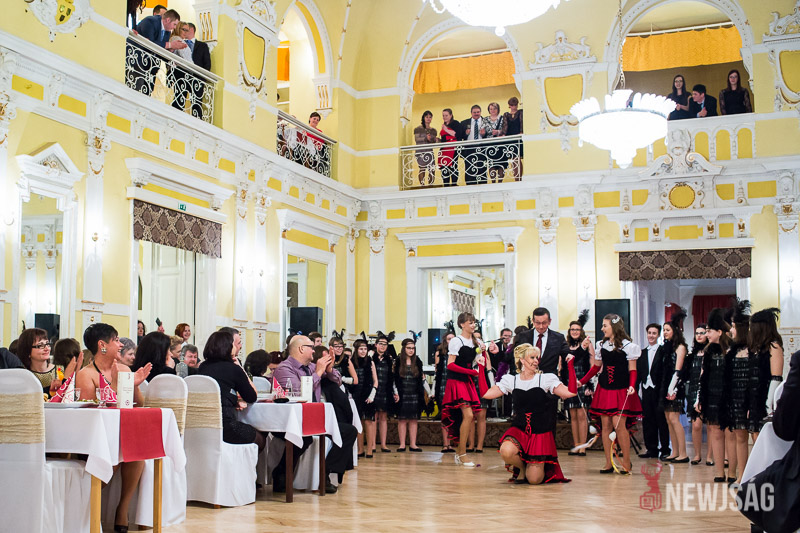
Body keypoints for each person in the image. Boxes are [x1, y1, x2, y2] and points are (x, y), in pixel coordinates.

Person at [76, 323, 151, 532]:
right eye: (116, 340)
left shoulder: (125, 369)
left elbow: (139, 404)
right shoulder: (86, 375)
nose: (120, 345)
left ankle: (122, 510)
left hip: (121, 433)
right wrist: (117, 386)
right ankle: (87, 509)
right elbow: (90, 413)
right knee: (117, 453)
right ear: (102, 345)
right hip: (95, 438)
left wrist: (134, 385)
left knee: (137, 451)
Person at [483, 343, 576, 484]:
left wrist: (570, 366)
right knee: (506, 451)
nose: (536, 361)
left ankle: (533, 467)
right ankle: (521, 467)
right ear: (522, 360)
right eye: (532, 357)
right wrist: (481, 368)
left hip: (540, 432)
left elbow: (571, 392)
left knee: (534, 480)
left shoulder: (545, 379)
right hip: (520, 429)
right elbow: (486, 394)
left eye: (537, 358)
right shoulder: (512, 380)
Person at [272, 335, 346, 494]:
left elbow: (338, 381)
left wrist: (329, 369)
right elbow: (299, 392)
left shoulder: (311, 367)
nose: (314, 351)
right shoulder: (284, 369)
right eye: (311, 347)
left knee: (348, 432)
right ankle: (281, 473)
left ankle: (325, 474)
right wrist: (318, 372)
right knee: (305, 437)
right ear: (301, 349)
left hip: (313, 418)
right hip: (290, 420)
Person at [579, 314, 643, 474]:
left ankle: (626, 462)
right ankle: (608, 462)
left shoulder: (629, 346)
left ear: (614, 327)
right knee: (606, 426)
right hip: (605, 389)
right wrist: (582, 381)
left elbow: (632, 370)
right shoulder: (601, 345)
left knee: (619, 425)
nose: (602, 328)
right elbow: (596, 368)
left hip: (621, 389)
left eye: (604, 325)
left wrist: (632, 386)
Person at [442, 312, 499, 467]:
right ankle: (462, 454)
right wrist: (471, 372)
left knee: (469, 416)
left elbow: (478, 359)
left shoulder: (476, 341)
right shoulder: (456, 341)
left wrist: (484, 355)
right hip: (456, 381)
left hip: (467, 381)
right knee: (468, 415)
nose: (473, 325)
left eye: (474, 322)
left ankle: (460, 453)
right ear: (462, 324)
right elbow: (450, 364)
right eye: (470, 322)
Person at [198, 331, 265, 452]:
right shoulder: (233, 369)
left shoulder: (202, 367)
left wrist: (233, 401)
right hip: (226, 426)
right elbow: (251, 397)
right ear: (228, 347)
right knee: (261, 439)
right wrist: (240, 368)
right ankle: (244, 464)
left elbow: (219, 392)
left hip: (202, 425)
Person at [698, 308, 734, 483]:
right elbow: (703, 376)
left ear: (719, 332)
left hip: (728, 396)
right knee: (715, 432)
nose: (707, 334)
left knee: (730, 433)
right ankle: (720, 472)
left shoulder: (731, 349)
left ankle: (732, 471)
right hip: (712, 394)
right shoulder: (708, 351)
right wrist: (700, 398)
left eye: (709, 331)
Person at [561, 311, 595, 456]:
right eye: (572, 329)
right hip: (569, 382)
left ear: (581, 331)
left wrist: (590, 385)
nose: (575, 331)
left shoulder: (587, 344)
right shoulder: (565, 346)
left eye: (577, 329)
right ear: (569, 331)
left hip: (583, 381)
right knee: (573, 416)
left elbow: (593, 365)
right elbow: (561, 367)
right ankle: (576, 445)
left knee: (582, 415)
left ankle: (583, 446)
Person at [726, 299, 751, 485]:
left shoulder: (753, 350)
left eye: (733, 327)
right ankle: (741, 475)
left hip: (749, 398)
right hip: (735, 398)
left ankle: (753, 475)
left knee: (752, 437)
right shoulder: (732, 351)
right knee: (739, 436)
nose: (731, 331)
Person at [747, 308, 784, 436]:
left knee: (764, 435)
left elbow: (776, 377)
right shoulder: (755, 349)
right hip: (755, 397)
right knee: (755, 433)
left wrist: (768, 405)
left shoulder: (774, 347)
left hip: (766, 397)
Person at [637, 323, 671, 460]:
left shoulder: (663, 351)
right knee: (648, 420)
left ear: (658, 335)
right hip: (646, 390)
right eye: (649, 333)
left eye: (654, 333)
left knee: (661, 420)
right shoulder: (642, 353)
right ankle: (651, 449)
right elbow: (639, 373)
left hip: (659, 390)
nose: (651, 335)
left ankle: (665, 449)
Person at [660, 311, 689, 463]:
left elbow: (678, 370)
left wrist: (672, 389)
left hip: (676, 386)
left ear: (675, 331)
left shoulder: (680, 347)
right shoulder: (667, 347)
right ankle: (675, 451)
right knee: (668, 419)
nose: (664, 332)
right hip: (666, 385)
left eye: (667, 330)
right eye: (663, 330)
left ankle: (683, 453)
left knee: (674, 418)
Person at [134, 9, 185, 95]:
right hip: (137, 60)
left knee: (147, 92)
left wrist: (171, 50)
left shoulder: (167, 31)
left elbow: (161, 48)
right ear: (168, 20)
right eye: (174, 24)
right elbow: (150, 43)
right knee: (137, 89)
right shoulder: (150, 21)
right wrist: (170, 45)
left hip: (151, 66)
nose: (175, 27)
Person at [684, 324, 712, 465]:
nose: (699, 335)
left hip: (709, 390)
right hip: (694, 390)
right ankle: (696, 455)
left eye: (702, 333)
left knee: (711, 426)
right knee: (696, 425)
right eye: (697, 333)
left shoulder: (711, 353)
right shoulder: (692, 355)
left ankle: (710, 456)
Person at [173, 23, 211, 118]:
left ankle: (197, 121)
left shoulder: (202, 46)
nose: (184, 32)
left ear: (192, 30)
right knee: (178, 99)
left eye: (186, 30)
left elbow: (207, 64)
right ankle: (175, 117)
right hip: (181, 76)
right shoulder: (179, 42)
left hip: (196, 79)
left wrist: (201, 79)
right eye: (183, 29)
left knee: (196, 104)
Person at [394, 338, 426, 452]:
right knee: (402, 419)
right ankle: (402, 444)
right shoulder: (398, 361)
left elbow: (421, 379)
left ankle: (413, 444)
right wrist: (395, 392)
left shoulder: (418, 361)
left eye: (413, 348)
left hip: (414, 394)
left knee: (413, 419)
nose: (411, 350)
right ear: (404, 349)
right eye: (409, 348)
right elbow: (394, 379)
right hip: (402, 394)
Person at [515, 307, 568, 375]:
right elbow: (516, 358)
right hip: (527, 377)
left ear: (549, 321)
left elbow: (568, 355)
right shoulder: (523, 337)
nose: (541, 326)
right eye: (538, 323)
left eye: (544, 323)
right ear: (533, 321)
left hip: (549, 378)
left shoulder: (558, 338)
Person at [352, 338, 378, 457]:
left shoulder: (370, 362)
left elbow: (375, 381)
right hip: (356, 395)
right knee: (358, 422)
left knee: (368, 422)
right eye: (361, 349)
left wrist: (372, 395)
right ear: (356, 350)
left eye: (365, 349)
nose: (363, 351)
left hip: (368, 395)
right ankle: (360, 449)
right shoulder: (351, 362)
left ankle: (370, 449)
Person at [372, 333, 397, 453]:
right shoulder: (371, 358)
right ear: (376, 345)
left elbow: (392, 378)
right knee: (373, 417)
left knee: (383, 417)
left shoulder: (389, 360)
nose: (382, 346)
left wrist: (395, 392)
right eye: (380, 344)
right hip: (373, 390)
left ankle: (383, 444)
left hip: (385, 390)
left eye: (385, 344)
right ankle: (372, 444)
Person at [434, 329, 456, 452]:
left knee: (453, 415)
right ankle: (445, 443)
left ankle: (451, 443)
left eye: (453, 339)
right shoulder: (440, 353)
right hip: (443, 385)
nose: (451, 341)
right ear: (445, 341)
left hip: (455, 386)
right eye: (449, 339)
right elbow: (437, 371)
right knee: (444, 415)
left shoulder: (458, 353)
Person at [461, 105, 488, 185]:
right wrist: (466, 134)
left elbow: (490, 134)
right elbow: (460, 136)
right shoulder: (464, 123)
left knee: (482, 168)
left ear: (480, 112)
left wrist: (484, 134)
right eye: (474, 112)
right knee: (469, 169)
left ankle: (482, 187)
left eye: (478, 112)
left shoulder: (486, 122)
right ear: (471, 113)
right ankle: (470, 187)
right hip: (469, 149)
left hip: (481, 148)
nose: (476, 114)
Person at [482, 102, 507, 184]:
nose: (492, 110)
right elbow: (482, 131)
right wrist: (482, 132)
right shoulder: (485, 119)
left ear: (498, 109)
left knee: (501, 164)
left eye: (494, 108)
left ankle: (500, 182)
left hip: (500, 143)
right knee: (491, 164)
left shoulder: (503, 118)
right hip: (489, 144)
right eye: (491, 109)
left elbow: (506, 129)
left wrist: (498, 132)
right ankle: (493, 182)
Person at [438, 108, 464, 187]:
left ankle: (454, 184)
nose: (444, 117)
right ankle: (445, 184)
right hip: (444, 148)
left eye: (446, 115)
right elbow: (443, 139)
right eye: (443, 115)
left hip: (453, 148)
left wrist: (445, 129)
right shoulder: (444, 124)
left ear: (451, 115)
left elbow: (457, 134)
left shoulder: (455, 123)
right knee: (444, 167)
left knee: (453, 166)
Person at [413, 110, 438, 186]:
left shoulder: (433, 130)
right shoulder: (418, 129)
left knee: (432, 169)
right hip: (420, 151)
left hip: (429, 151)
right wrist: (425, 138)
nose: (428, 118)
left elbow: (434, 142)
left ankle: (430, 185)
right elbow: (417, 139)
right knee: (422, 169)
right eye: (427, 117)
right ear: (423, 118)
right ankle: (422, 185)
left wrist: (434, 140)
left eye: (430, 117)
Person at [503, 97, 523, 180]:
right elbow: (505, 126)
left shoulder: (520, 112)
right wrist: (503, 134)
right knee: (513, 159)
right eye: (512, 105)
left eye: (515, 105)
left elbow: (521, 123)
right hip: (510, 138)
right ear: (509, 105)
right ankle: (516, 177)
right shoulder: (506, 115)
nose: (514, 107)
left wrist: (521, 132)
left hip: (518, 137)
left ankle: (519, 177)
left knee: (517, 158)